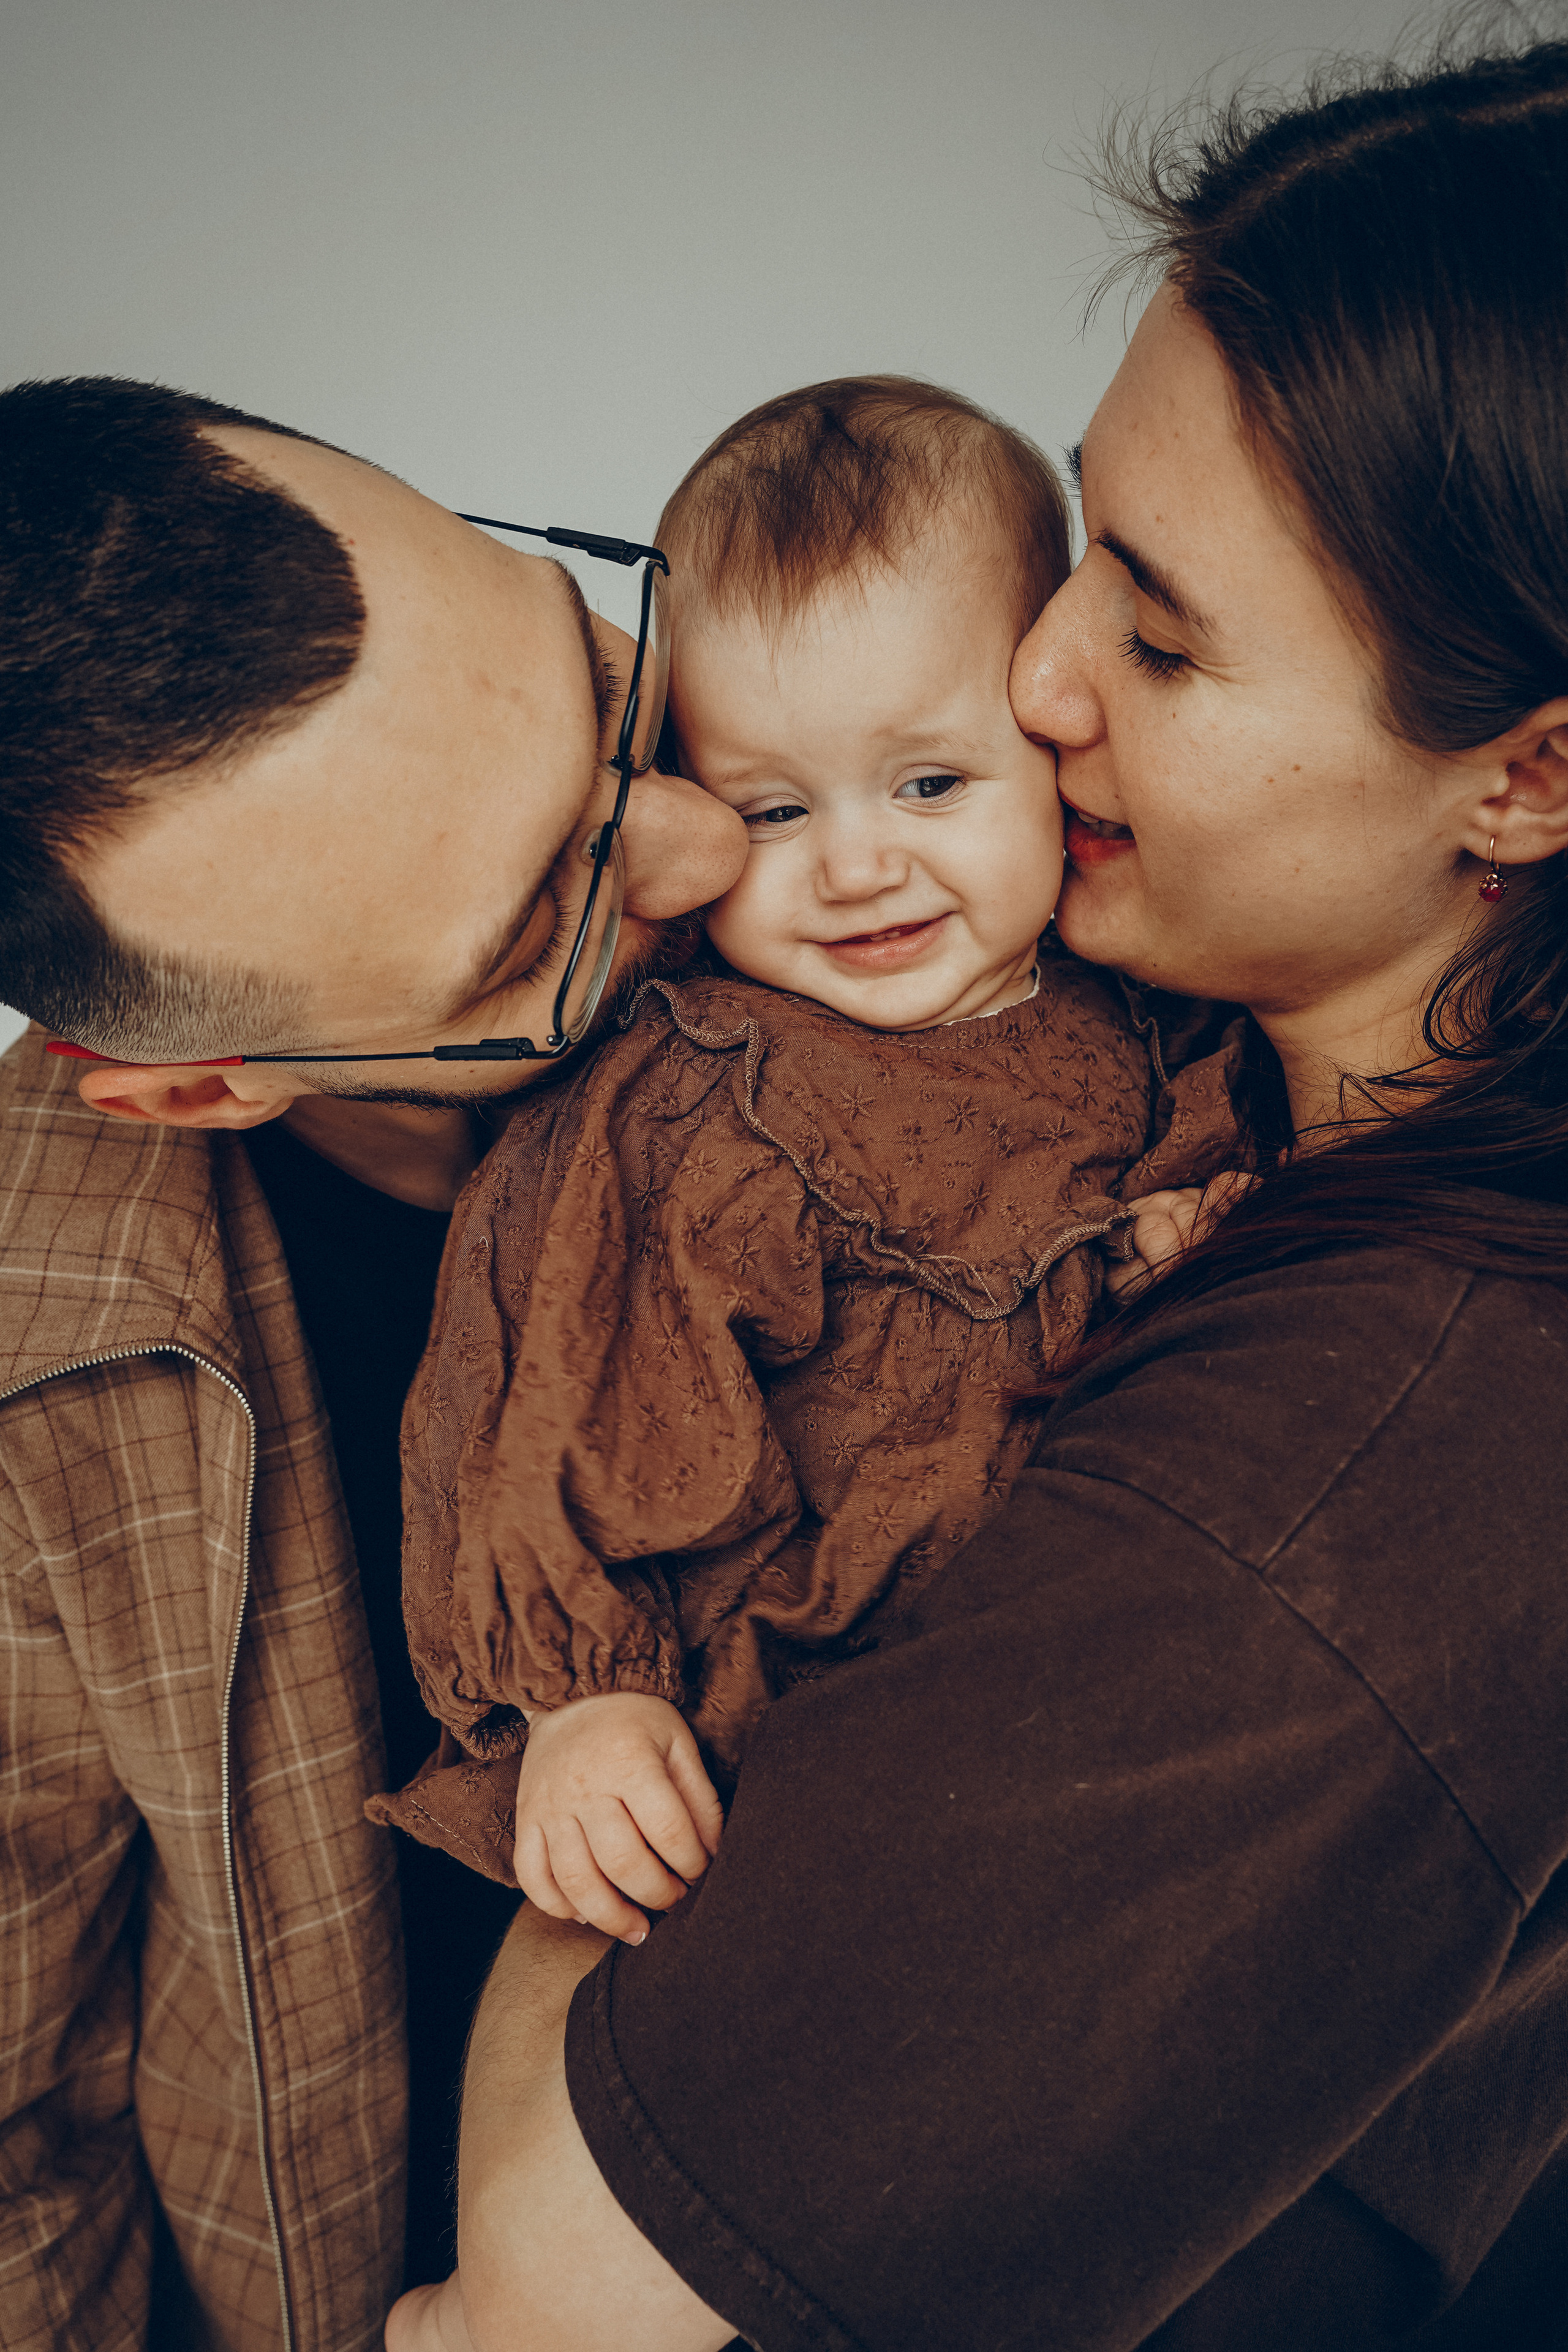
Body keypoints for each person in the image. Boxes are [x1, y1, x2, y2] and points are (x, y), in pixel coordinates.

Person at [386, 28, 1568, 2352]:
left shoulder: (1358, 1470)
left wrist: (591, 1789)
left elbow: (559, 2299)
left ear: (1527, 779)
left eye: (1153, 627)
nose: (1030, 679)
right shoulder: (1197, 1084)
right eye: (1081, 547)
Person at [0, 378, 747, 2347]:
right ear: (190, 1091)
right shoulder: (26, 1388)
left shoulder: (910, 828)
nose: (692, 844)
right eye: (530, 934)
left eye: (594, 672)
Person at [372, 375, 1241, 1929]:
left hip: (1097, 1733)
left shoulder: (1155, 1001)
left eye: (928, 783)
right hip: (789, 1759)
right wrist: (588, 1699)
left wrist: (1193, 1229)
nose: (854, 866)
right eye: (769, 810)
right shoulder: (699, 1095)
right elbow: (551, 1389)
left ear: (1054, 740)